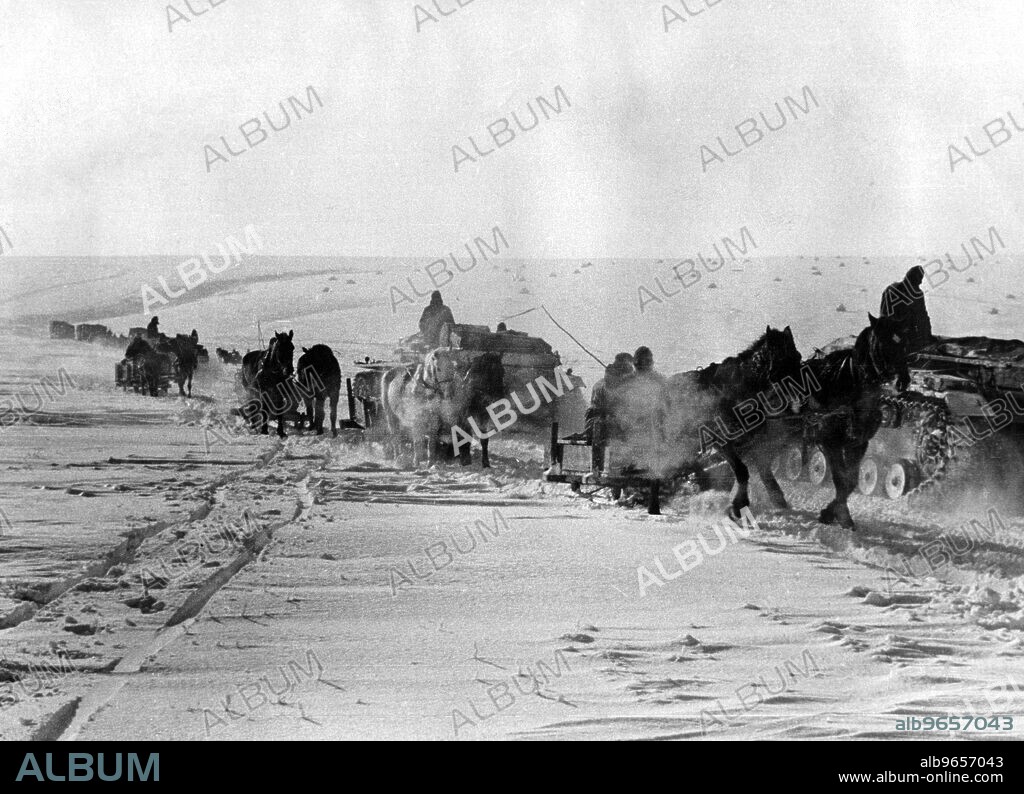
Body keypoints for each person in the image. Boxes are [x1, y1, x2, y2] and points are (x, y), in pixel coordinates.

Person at [585, 353, 636, 474]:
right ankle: (619, 470)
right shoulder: (610, 386)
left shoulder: (607, 383)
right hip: (599, 426)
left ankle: (620, 468)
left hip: (600, 425)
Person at [880, 266, 932, 350]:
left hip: (903, 333)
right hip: (890, 333)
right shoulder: (894, 290)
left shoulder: (916, 294)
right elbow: (886, 318)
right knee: (901, 344)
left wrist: (927, 336)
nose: (921, 282)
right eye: (918, 280)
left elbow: (922, 318)